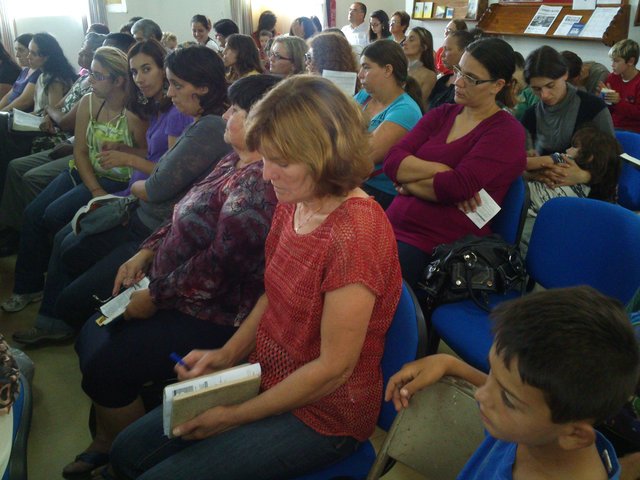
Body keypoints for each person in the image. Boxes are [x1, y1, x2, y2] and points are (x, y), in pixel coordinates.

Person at [107, 73, 402, 480]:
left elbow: (333, 369)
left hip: (324, 413)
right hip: (267, 375)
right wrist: (228, 354)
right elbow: (273, 292)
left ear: (327, 156)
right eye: (265, 159)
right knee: (127, 452)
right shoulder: (294, 200)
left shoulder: (356, 234)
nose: (265, 175)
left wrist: (233, 416)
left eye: (280, 162)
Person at [69, 73, 280, 478]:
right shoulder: (231, 160)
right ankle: (112, 434)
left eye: (235, 109)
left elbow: (220, 267)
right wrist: (147, 251)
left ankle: (122, 452)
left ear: (262, 121)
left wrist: (155, 297)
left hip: (214, 312)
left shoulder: (259, 186)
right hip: (173, 287)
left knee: (107, 361)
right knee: (92, 332)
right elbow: (183, 206)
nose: (226, 114)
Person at [386, 286, 639, 480]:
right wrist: (451, 365)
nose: (481, 396)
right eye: (493, 373)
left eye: (506, 397)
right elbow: (524, 397)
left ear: (574, 435)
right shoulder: (534, 430)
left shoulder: (525, 429)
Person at [0, 46, 146, 314]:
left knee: (54, 216)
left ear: (119, 80)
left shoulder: (135, 114)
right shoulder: (90, 101)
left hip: (116, 182)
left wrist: (102, 190)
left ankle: (60, 285)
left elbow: (145, 155)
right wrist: (94, 189)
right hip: (86, 173)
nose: (90, 79)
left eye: (98, 75)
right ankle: (28, 286)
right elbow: (80, 150)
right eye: (91, 73)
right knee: (34, 213)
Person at [383, 38, 526, 288]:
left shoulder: (505, 132)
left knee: (366, 280)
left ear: (497, 85)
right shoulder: (442, 114)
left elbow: (457, 186)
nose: (457, 81)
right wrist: (440, 171)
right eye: (458, 70)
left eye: (471, 78)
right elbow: (392, 161)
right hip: (392, 226)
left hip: (442, 247)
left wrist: (408, 183)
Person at [521, 126, 622, 256]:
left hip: (525, 204)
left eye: (574, 146)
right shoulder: (587, 189)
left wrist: (542, 160)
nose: (568, 149)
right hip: (536, 214)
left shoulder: (561, 159)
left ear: (589, 157)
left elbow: (522, 163)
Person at [522, 46, 614, 184]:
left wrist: (584, 176)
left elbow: (614, 163)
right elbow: (515, 164)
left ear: (565, 74)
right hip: (542, 187)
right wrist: (533, 175)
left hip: (588, 190)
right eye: (536, 89)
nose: (544, 95)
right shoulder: (530, 115)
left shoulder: (594, 108)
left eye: (550, 85)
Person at [355, 40, 422, 209]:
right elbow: (330, 128)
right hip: (355, 181)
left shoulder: (406, 110)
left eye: (366, 67)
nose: (360, 74)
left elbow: (363, 157)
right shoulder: (364, 96)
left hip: (379, 191)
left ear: (387, 70)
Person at [599, 39, 640, 133]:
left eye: (616, 61)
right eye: (612, 60)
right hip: (612, 126)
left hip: (633, 131)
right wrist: (602, 98)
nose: (612, 65)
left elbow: (638, 113)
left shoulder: (638, 83)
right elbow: (607, 110)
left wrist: (618, 102)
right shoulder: (612, 78)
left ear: (630, 61)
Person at [428, 30, 473, 110]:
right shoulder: (443, 80)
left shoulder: (468, 87)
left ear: (464, 52)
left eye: (447, 49)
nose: (441, 55)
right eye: (443, 49)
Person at [0, 33, 39, 112]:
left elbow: (24, 101)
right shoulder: (25, 71)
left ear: (31, 51)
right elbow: (9, 95)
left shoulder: (39, 73)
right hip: (9, 112)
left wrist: (3, 112)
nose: (17, 55)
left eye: (21, 50)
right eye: (16, 50)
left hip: (21, 116)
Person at [404, 26, 437, 110]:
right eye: (406, 38)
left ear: (424, 47)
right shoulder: (399, 69)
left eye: (411, 40)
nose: (405, 42)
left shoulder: (429, 75)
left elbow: (417, 104)